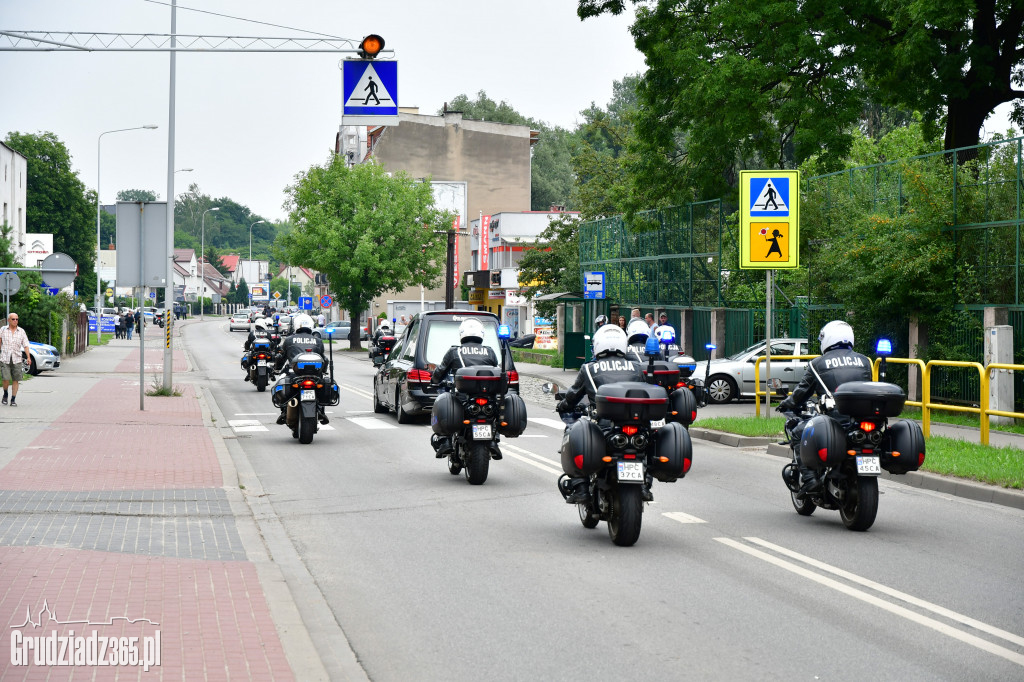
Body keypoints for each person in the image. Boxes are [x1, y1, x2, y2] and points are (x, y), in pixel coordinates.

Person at [777, 320, 872, 496]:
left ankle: (810, 480)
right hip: (861, 420)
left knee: (798, 432)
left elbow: (802, 392)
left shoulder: (817, 364)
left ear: (827, 339)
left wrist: (787, 403)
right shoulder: (864, 361)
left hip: (835, 420)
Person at [556, 324, 646, 503]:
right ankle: (645, 482)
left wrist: (563, 405)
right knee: (646, 446)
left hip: (605, 426)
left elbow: (574, 395)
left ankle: (581, 487)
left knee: (572, 433)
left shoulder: (589, 368)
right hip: (635, 424)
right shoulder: (636, 367)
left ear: (597, 345)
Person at [429, 318, 500, 458]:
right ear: (481, 334)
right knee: (494, 411)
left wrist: (434, 380)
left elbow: (441, 370)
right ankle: (494, 440)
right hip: (487, 397)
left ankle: (445, 441)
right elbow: (495, 369)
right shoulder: (489, 351)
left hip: (463, 397)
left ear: (462, 334)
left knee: (445, 404)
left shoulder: (455, 351)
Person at [275, 314, 327, 425]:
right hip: (315, 376)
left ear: (296, 325)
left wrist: (277, 368)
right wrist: (324, 370)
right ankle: (321, 410)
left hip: (293, 374)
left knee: (283, 384)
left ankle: (284, 411)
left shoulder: (289, 340)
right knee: (322, 387)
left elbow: (282, 357)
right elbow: (324, 359)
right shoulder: (317, 341)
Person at [1, 312, 31, 407]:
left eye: (17, 319)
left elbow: (26, 345)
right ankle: (5, 393)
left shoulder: (21, 331)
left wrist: (28, 357)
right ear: (9, 320)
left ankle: (13, 399)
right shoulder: (3, 330)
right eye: (13, 319)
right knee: (5, 379)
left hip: (17, 358)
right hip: (5, 358)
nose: (15, 321)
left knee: (16, 379)